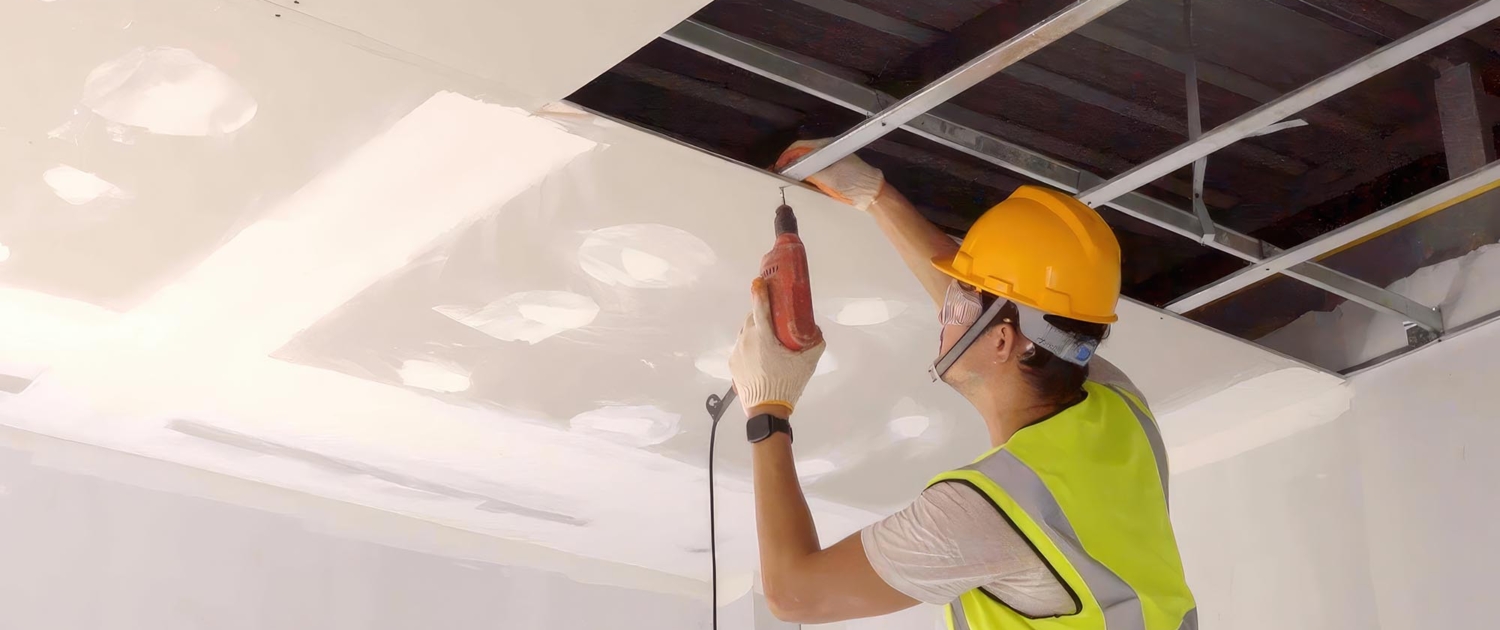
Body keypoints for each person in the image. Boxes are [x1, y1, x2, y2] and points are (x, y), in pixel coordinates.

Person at [726, 140, 1197, 630]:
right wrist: (876, 196)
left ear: (1001, 342)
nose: (945, 317)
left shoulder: (983, 514)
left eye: (958, 306)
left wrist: (767, 410)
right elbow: (1005, 318)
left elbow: (795, 596)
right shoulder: (1119, 411)